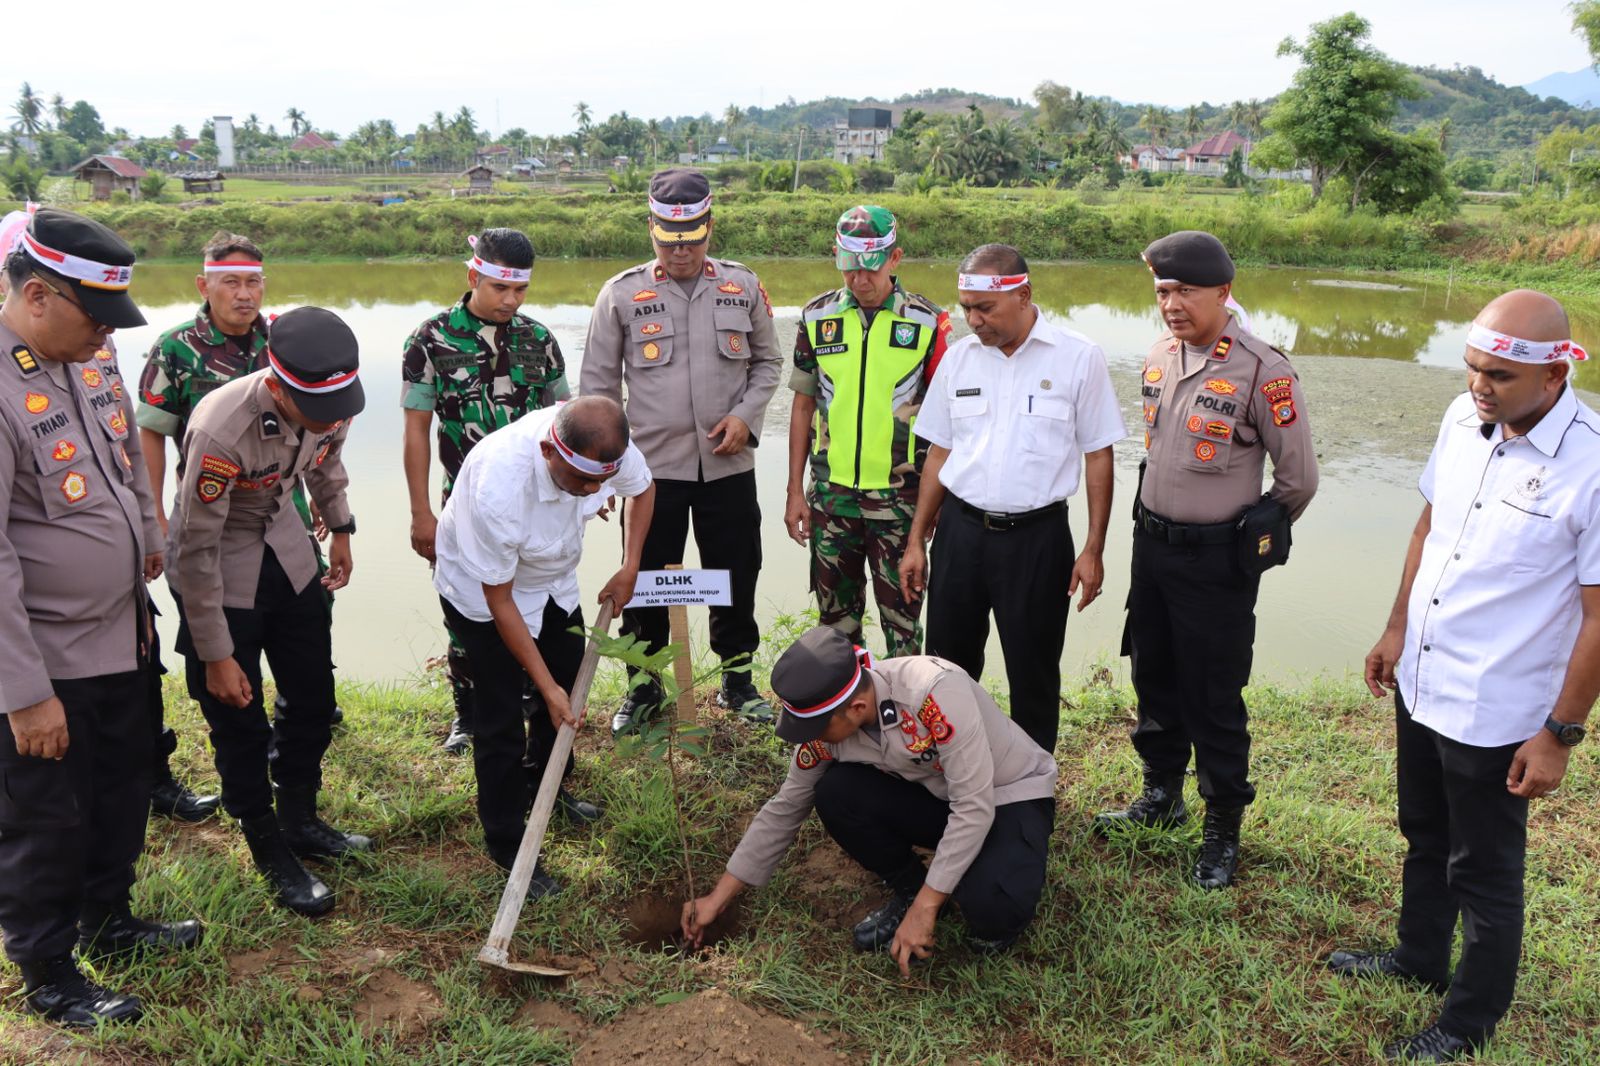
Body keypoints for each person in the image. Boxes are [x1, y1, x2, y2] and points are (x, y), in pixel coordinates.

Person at [1328, 290, 1600, 1063]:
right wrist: (1394, 628)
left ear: (1554, 375)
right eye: (1473, 369)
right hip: (1424, 677)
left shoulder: (1592, 465)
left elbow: (1599, 617)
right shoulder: (1460, 419)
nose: (1481, 387)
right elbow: (1427, 527)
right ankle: (1418, 957)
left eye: (1500, 377)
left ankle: (1468, 1021)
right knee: (1424, 833)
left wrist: (1559, 735)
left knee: (1483, 868)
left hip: (1500, 704)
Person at [0, 208, 200, 1027]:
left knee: (121, 790)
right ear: (39, 295)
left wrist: (146, 537)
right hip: (48, 658)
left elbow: (123, 460)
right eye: (93, 315)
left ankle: (108, 922)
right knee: (46, 817)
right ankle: (48, 971)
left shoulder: (87, 356)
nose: (104, 336)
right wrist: (23, 692)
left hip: (125, 631)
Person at [1093, 231, 1318, 892]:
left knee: (1214, 695)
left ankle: (1223, 828)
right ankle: (1161, 795)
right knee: (1155, 676)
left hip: (1215, 564)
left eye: (1185, 290)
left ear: (1223, 291)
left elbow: (1298, 480)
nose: (1171, 304)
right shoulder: (1161, 354)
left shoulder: (1262, 369)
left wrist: (1246, 538)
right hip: (1152, 549)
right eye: (1163, 291)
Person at [681, 626, 1057, 975]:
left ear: (856, 709)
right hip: (938, 797)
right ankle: (913, 887)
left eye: (816, 728)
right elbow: (787, 806)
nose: (811, 738)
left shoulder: (934, 692)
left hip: (1005, 794)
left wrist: (929, 908)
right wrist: (718, 897)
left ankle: (958, 890)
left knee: (991, 906)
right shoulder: (833, 725)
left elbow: (973, 805)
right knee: (835, 792)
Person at [166, 307, 369, 918]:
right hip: (220, 565)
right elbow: (195, 549)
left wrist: (340, 529)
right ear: (278, 386)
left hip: (286, 544)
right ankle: (264, 840)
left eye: (341, 403)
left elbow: (326, 462)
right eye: (318, 405)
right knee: (239, 715)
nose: (333, 415)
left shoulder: (329, 398)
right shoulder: (220, 428)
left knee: (312, 696)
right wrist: (217, 653)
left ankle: (300, 817)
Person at [136, 231, 341, 822]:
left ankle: (296, 787)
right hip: (214, 523)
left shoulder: (286, 340)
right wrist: (152, 519)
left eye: (253, 280)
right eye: (230, 281)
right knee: (230, 671)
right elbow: (151, 434)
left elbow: (325, 439)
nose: (244, 293)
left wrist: (334, 515)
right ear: (204, 285)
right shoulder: (176, 350)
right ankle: (252, 791)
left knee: (308, 661)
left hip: (286, 522)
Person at [898, 245, 1124, 755]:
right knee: (947, 670)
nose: (973, 320)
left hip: (1037, 540)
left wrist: (1093, 548)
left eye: (985, 309)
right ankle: (952, 778)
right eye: (966, 308)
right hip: (960, 533)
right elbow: (938, 453)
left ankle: (1031, 794)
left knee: (1034, 672)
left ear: (1023, 296)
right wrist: (918, 540)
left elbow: (1098, 456)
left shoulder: (1077, 357)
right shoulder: (958, 360)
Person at [581, 168, 782, 733]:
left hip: (728, 468)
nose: (681, 253)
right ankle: (643, 688)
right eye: (669, 242)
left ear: (709, 229)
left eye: (692, 241)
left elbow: (768, 362)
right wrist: (603, 474)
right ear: (651, 231)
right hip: (649, 474)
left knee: (737, 570)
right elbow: (597, 391)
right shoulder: (620, 294)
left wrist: (746, 417)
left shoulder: (741, 286)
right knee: (641, 575)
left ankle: (738, 681)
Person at [434, 396, 654, 890]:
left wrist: (629, 564)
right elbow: (501, 601)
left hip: (553, 578)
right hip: (485, 594)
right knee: (501, 713)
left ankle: (543, 785)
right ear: (549, 450)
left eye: (600, 482)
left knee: (568, 685)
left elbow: (642, 488)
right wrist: (543, 685)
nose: (593, 492)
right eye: (581, 482)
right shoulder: (501, 487)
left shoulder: (602, 439)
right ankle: (507, 841)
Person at [403, 228, 570, 756]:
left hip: (537, 505)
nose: (511, 300)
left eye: (520, 290)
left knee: (536, 604)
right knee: (467, 606)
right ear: (473, 274)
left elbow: (567, 422)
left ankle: (530, 696)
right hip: (464, 508)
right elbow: (415, 431)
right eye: (500, 287)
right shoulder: (429, 341)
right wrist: (421, 513)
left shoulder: (539, 340)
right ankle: (469, 712)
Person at [785, 205, 950, 657]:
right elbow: (802, 406)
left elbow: (946, 428)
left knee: (903, 622)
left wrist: (933, 505)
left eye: (871, 268)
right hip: (831, 497)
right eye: (850, 268)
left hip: (900, 501)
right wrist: (794, 491)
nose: (860, 281)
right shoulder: (816, 317)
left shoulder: (927, 322)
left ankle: (905, 713)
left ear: (894, 259)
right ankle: (845, 716)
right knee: (835, 624)